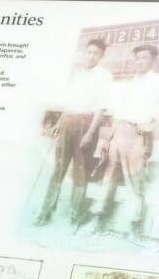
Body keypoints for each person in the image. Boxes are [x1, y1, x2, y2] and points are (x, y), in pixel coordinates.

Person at [99, 43, 159, 235]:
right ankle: (101, 220)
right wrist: (108, 138)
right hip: (119, 131)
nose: (140, 61)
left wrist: (153, 126)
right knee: (110, 175)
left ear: (152, 60)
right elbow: (118, 112)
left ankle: (135, 226)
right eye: (138, 58)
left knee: (136, 179)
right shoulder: (130, 83)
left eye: (144, 58)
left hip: (138, 134)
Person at [37, 38, 113, 226]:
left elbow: (100, 109)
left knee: (80, 171)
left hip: (86, 124)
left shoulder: (104, 76)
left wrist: (89, 133)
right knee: (58, 168)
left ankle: (75, 216)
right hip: (68, 122)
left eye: (95, 53)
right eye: (88, 52)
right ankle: (45, 212)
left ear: (101, 56)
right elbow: (68, 105)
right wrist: (59, 124)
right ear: (84, 54)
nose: (91, 56)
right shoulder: (78, 75)